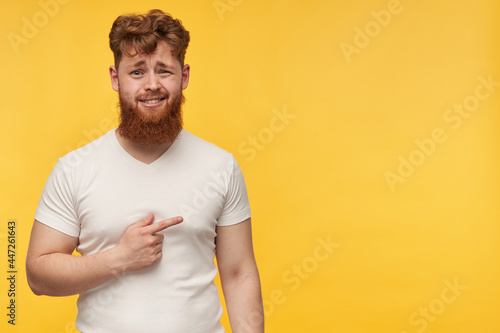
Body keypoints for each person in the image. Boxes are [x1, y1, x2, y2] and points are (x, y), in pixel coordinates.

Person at [26, 9, 264, 333]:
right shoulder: (74, 170)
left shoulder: (221, 166)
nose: (152, 85)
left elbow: (239, 274)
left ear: (184, 76)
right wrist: (118, 259)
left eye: (164, 70)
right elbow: (38, 274)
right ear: (115, 78)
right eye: (137, 72)